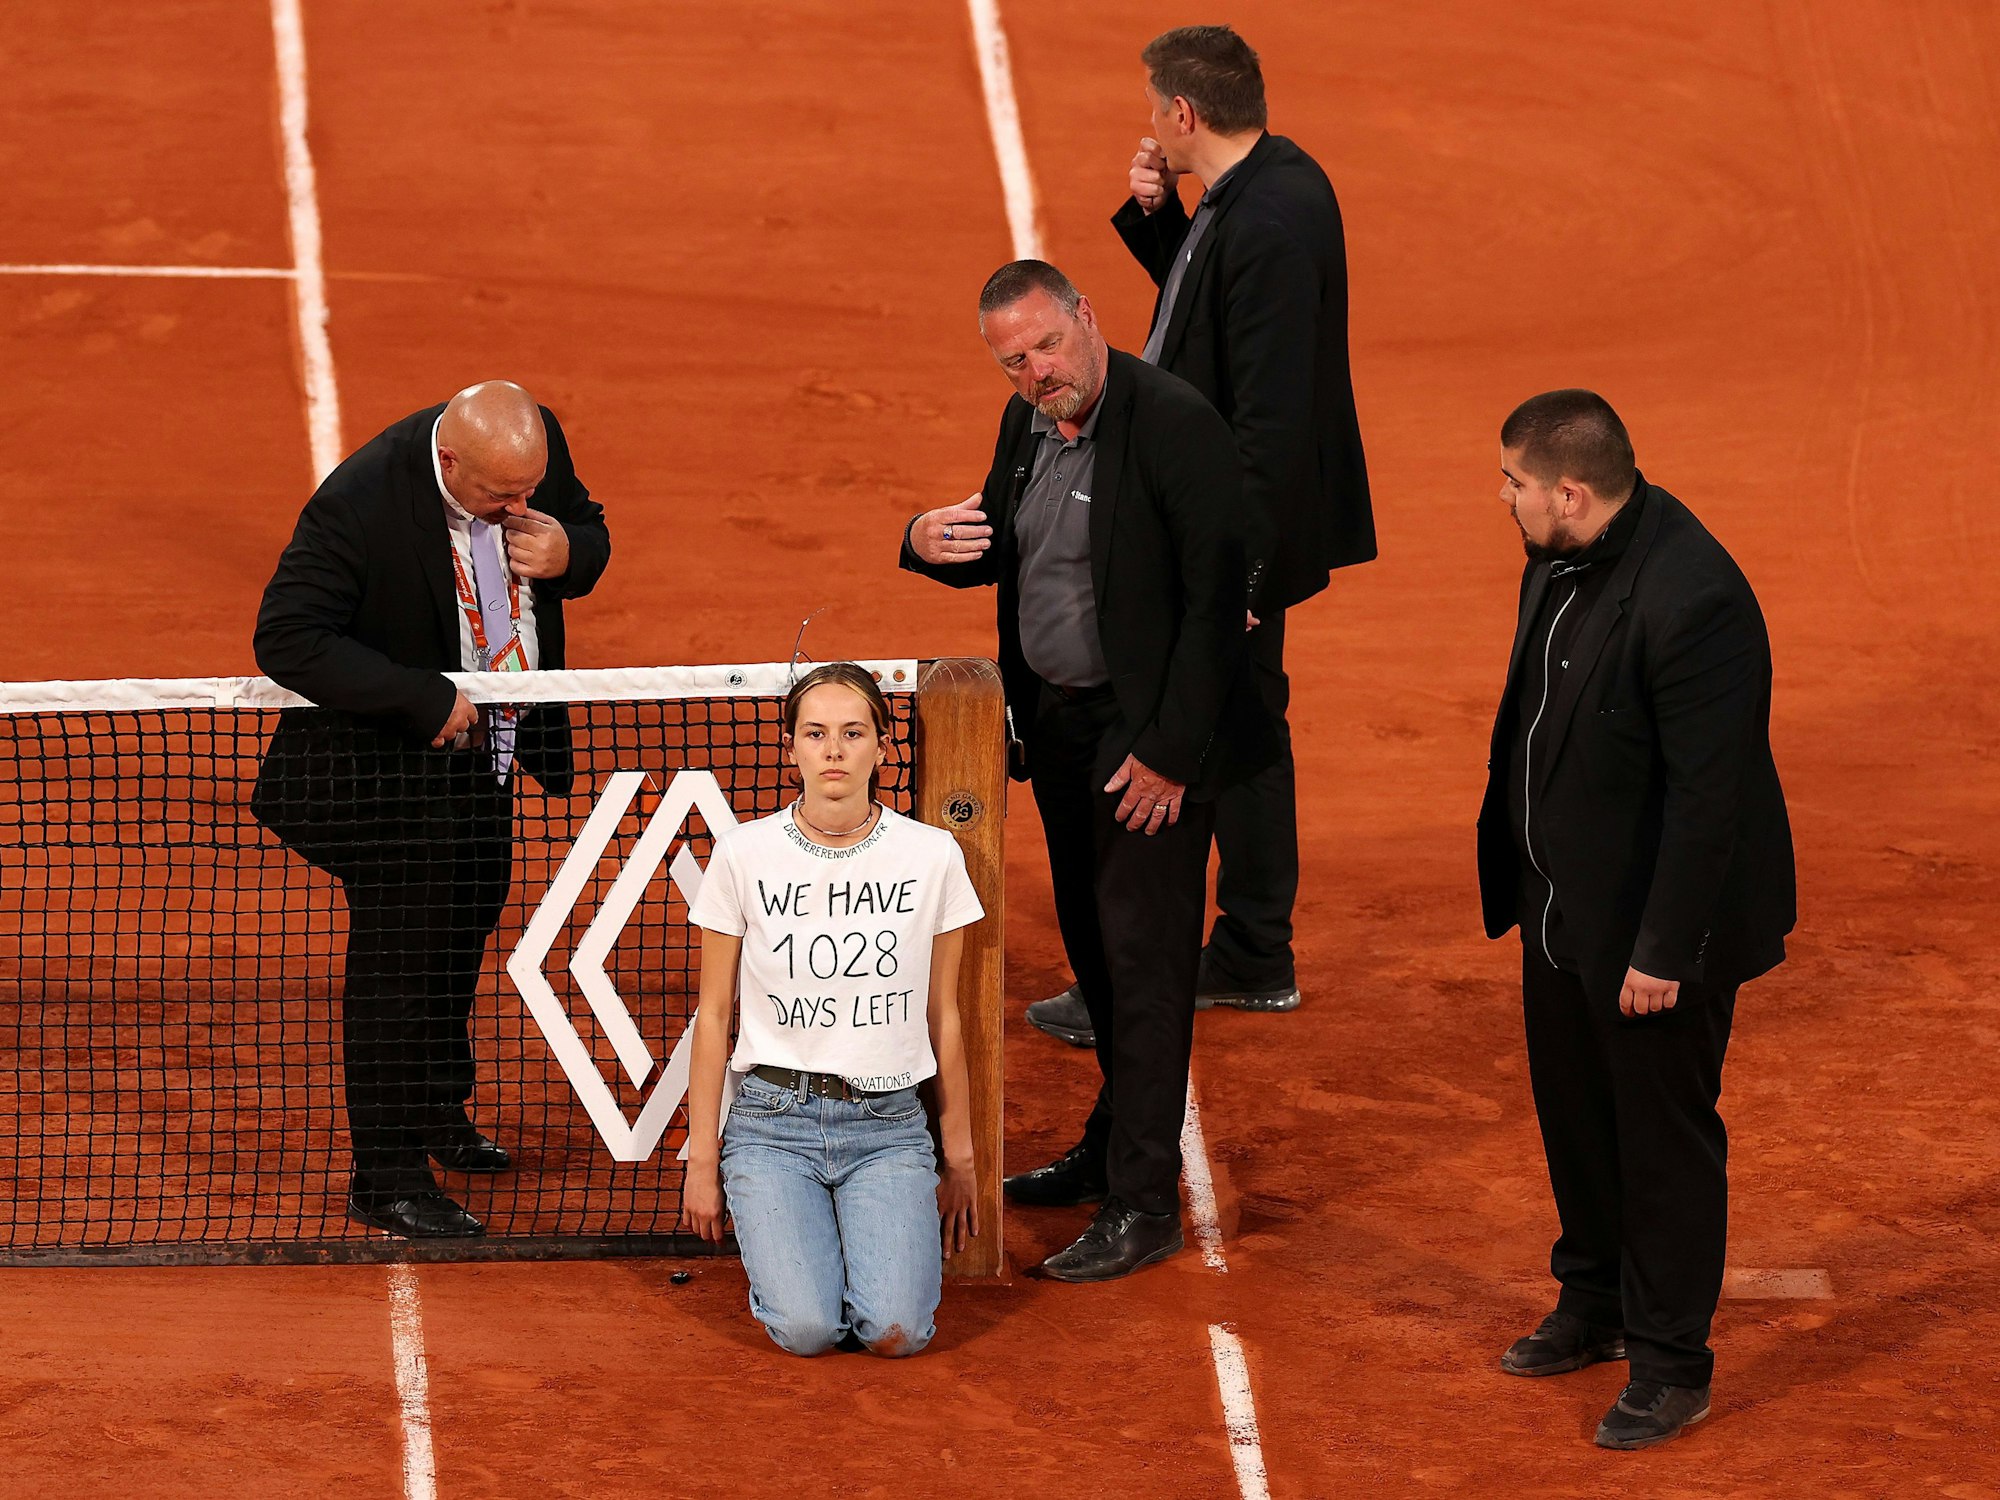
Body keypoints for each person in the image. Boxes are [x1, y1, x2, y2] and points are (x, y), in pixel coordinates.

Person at [900, 260, 1275, 1282]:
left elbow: (1217, 606)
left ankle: (1144, 1199)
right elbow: (1005, 541)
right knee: (1096, 952)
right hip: (1058, 732)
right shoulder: (1025, 426)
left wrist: (1167, 754)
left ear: (1085, 320)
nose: (1035, 372)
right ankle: (1115, 1141)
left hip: (1145, 738)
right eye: (1013, 360)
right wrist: (924, 542)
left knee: (1145, 963)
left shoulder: (1171, 426)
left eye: (1047, 346)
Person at [1025, 23, 1375, 1048]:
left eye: (1151, 107)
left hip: (1233, 529)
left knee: (1189, 719)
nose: (1148, 123)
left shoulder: (1266, 221)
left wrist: (1241, 575)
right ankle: (1254, 950)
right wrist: (1158, 218)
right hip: (1236, 520)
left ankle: (1171, 963)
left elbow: (1265, 420)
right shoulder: (1268, 185)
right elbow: (1206, 306)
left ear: (1183, 114)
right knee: (1248, 718)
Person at [1478, 390, 1795, 1449]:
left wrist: (1661, 951)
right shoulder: (1558, 559)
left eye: (1514, 484)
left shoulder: (1690, 594)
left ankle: (1670, 1362)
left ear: (1568, 492)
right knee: (1575, 1118)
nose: (1503, 498)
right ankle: (1593, 1305)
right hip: (1561, 912)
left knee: (1659, 1143)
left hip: (1658, 934)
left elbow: (1712, 800)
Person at [252, 380, 610, 1238]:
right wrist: (421, 698)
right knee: (398, 967)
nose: (520, 506)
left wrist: (571, 554)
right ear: (450, 460)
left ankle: (438, 1113)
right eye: (500, 498)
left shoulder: (525, 447)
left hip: (484, 760)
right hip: (385, 775)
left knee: (468, 919)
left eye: (530, 490)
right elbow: (287, 636)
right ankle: (385, 1174)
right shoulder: (359, 503)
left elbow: (587, 531)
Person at [681, 663, 983, 1356]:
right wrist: (703, 1162)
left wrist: (959, 1156)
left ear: (883, 745)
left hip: (889, 1126)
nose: (834, 750)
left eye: (853, 733)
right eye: (815, 733)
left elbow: (947, 1017)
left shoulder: (932, 857)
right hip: (769, 1125)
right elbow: (714, 1015)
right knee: (808, 1330)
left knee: (897, 1334)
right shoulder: (742, 855)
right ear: (791, 747)